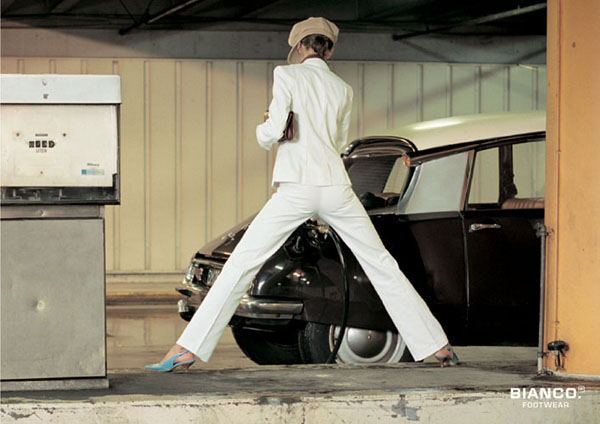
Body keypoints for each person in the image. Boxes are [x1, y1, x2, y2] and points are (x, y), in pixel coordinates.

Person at [145, 17, 458, 372]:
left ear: (298, 46)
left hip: (297, 187)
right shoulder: (342, 88)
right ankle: (438, 345)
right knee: (382, 264)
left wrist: (265, 126)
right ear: (329, 50)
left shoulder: (286, 74)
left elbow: (272, 132)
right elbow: (338, 142)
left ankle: (186, 350)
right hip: (336, 187)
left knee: (242, 263)